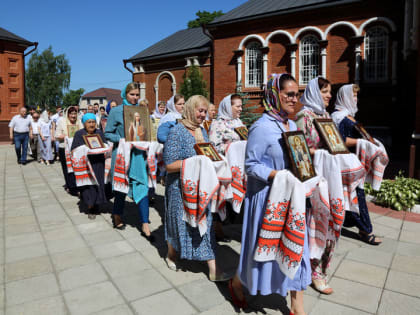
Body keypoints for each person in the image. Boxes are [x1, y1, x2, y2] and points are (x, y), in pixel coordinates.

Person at [230, 74, 310, 315]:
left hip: (292, 199)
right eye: (289, 94)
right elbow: (251, 165)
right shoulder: (261, 127)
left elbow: (298, 159)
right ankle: (236, 283)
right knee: (261, 253)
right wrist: (279, 175)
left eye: (297, 94)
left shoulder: (293, 125)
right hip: (267, 198)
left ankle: (297, 304)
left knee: (298, 247)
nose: (294, 99)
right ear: (275, 94)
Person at [163, 94, 230, 281]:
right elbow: (169, 165)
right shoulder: (177, 131)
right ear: (190, 110)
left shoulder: (202, 131)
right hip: (179, 189)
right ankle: (171, 255)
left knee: (205, 224)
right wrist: (194, 162)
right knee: (177, 224)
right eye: (200, 111)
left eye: (205, 111)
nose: (203, 115)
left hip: (200, 188)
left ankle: (213, 268)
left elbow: (206, 156)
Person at [331, 84, 382, 246]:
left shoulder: (348, 115)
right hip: (345, 163)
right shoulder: (337, 117)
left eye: (356, 96)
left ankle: (358, 226)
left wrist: (370, 142)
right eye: (353, 96)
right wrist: (362, 141)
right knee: (356, 197)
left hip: (355, 161)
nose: (356, 99)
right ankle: (366, 230)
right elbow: (339, 140)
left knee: (353, 196)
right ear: (344, 97)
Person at [105, 83, 153, 240]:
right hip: (122, 154)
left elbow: (145, 132)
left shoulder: (142, 111)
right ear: (125, 95)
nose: (135, 97)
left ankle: (145, 223)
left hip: (138, 155)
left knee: (142, 186)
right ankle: (117, 214)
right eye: (132, 94)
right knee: (121, 188)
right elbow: (108, 133)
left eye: (137, 95)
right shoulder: (116, 111)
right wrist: (122, 140)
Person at [71, 113, 111, 219]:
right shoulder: (79, 134)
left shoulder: (99, 133)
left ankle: (97, 205)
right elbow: (74, 150)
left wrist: (105, 146)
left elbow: (105, 144)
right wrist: (85, 149)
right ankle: (90, 207)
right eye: (89, 122)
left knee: (98, 184)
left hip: (98, 163)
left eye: (93, 122)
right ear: (84, 124)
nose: (92, 124)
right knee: (88, 187)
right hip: (86, 165)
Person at [55, 106, 83, 195]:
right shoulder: (62, 122)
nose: (73, 116)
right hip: (64, 148)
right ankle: (71, 186)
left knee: (76, 167)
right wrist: (64, 136)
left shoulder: (79, 122)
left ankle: (77, 185)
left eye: (75, 113)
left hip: (76, 149)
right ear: (68, 114)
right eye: (71, 113)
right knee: (67, 168)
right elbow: (56, 135)